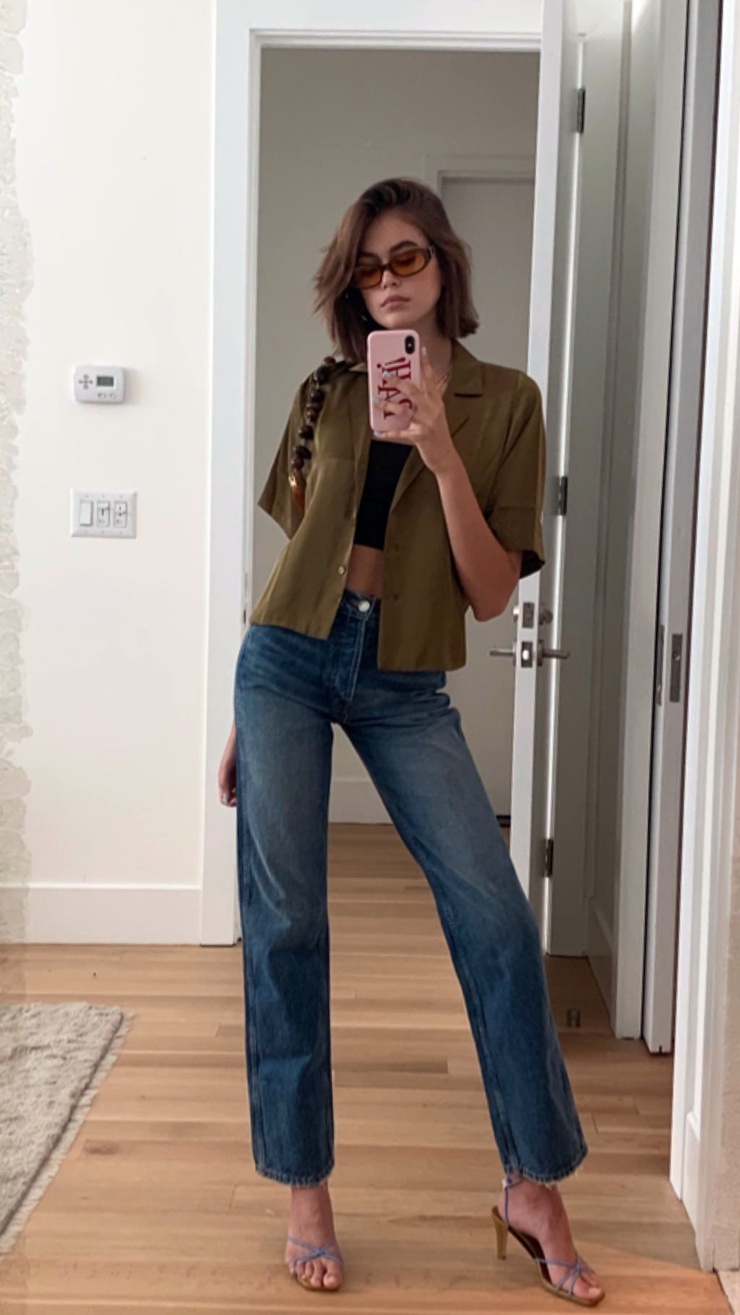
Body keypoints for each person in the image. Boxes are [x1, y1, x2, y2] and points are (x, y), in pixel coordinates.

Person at [217, 178, 605, 1306]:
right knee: (286, 923)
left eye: (407, 259)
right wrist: (243, 714)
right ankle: (305, 1188)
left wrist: (438, 449)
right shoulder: (325, 392)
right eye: (368, 268)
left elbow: (490, 595)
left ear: (443, 264)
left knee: (495, 920)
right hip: (286, 662)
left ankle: (530, 1185)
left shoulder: (508, 402)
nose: (387, 283)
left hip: (404, 682)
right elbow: (293, 561)